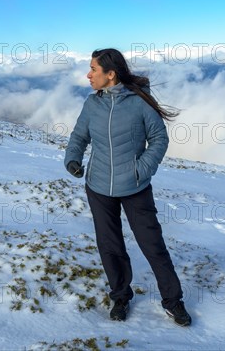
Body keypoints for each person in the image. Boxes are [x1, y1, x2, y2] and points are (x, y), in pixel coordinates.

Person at [64, 48, 191, 326]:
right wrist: (72, 158)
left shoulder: (139, 102)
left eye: (93, 69)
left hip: (135, 187)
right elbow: (79, 136)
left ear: (110, 74)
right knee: (110, 246)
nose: (88, 74)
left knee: (153, 246)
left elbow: (159, 138)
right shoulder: (91, 103)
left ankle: (173, 301)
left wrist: (141, 169)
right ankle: (120, 296)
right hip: (98, 186)